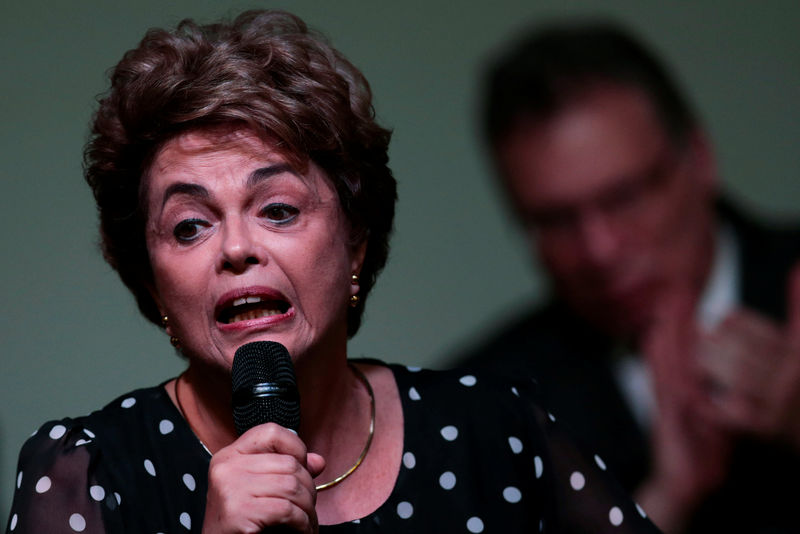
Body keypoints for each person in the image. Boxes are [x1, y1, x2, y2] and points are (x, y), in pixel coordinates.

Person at [5, 10, 661, 534]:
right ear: (152, 283)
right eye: (190, 226)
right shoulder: (84, 471)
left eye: (278, 209)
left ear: (354, 243)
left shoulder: (495, 432)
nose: (237, 248)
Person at [449, 19, 800, 534]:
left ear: (700, 160)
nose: (599, 250)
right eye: (554, 220)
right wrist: (664, 500)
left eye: (625, 197)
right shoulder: (480, 411)